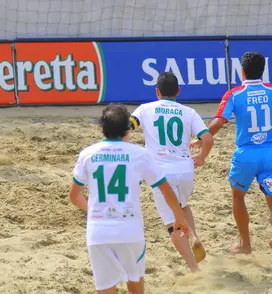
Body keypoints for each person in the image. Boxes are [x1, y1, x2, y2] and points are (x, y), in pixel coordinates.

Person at [70, 103, 189, 294]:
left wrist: (94, 210)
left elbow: (75, 196)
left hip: (98, 232)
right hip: (129, 230)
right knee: (135, 287)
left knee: (106, 289)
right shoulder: (140, 155)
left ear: (102, 128)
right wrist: (179, 217)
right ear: (128, 130)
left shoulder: (87, 154)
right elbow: (166, 190)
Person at [129, 72, 213, 272]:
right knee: (182, 206)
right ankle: (194, 236)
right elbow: (208, 138)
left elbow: (127, 127)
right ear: (178, 91)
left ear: (157, 92)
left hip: (160, 174)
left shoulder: (145, 109)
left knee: (172, 223)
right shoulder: (189, 112)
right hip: (185, 171)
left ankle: (194, 269)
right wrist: (201, 157)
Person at [192, 51, 272, 254]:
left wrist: (202, 137)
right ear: (264, 71)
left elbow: (218, 123)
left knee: (238, 197)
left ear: (242, 72)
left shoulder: (234, 94)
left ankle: (245, 245)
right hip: (270, 152)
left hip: (246, 155)